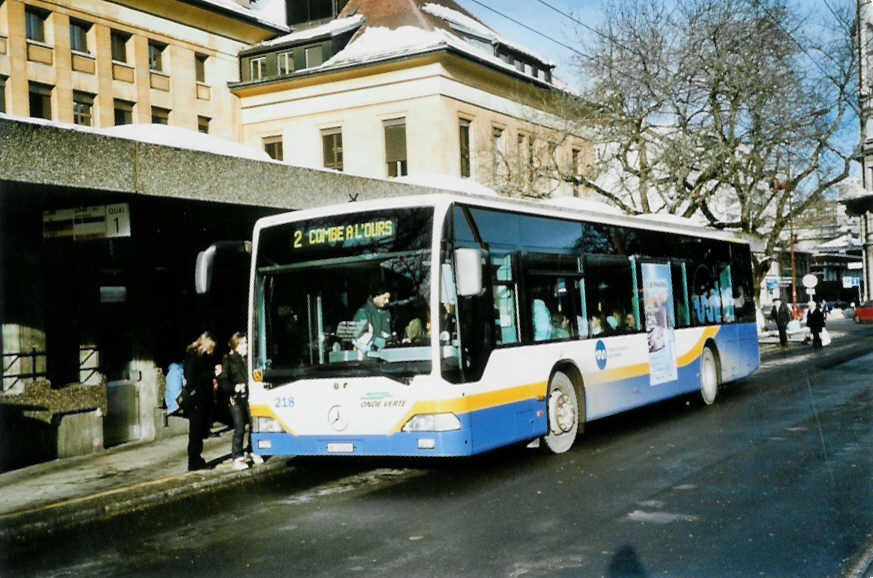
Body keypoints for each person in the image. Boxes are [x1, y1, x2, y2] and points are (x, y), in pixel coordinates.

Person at [220, 332, 263, 470]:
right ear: (236, 344)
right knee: (239, 427)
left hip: (249, 396)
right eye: (244, 342)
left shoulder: (247, 359)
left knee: (253, 424)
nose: (247, 345)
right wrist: (234, 388)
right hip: (235, 398)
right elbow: (223, 381)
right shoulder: (228, 360)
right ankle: (237, 457)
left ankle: (252, 450)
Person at [183, 331, 220, 471]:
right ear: (207, 343)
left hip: (202, 398)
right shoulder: (194, 356)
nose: (212, 350)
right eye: (212, 347)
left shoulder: (199, 355)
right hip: (197, 399)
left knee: (198, 432)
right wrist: (212, 374)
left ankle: (197, 459)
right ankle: (194, 462)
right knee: (195, 432)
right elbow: (192, 378)